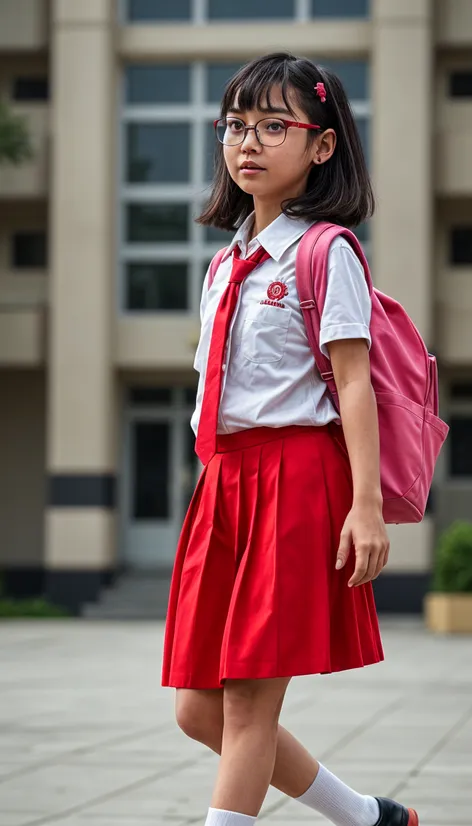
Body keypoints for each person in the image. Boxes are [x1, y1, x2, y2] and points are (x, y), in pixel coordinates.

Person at [162, 52, 419, 826]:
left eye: (275, 126)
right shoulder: (224, 265)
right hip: (226, 486)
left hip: (293, 481)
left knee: (246, 705)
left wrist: (365, 506)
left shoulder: (325, 251)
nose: (250, 142)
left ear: (322, 146)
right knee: (197, 712)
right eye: (236, 125)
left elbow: (352, 384)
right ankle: (372, 819)